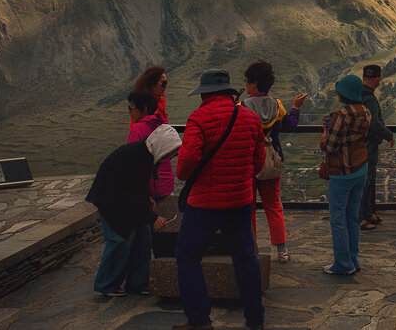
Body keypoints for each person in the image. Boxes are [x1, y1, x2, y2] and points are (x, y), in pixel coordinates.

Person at [174, 69, 266, 330]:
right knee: (246, 258)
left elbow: (187, 161)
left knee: (187, 255)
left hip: (204, 203)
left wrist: (185, 175)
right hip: (239, 200)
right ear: (229, 92)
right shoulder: (250, 118)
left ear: (205, 94)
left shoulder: (199, 118)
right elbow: (258, 161)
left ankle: (199, 320)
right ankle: (255, 319)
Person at [86, 124, 180, 296]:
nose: (170, 158)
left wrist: (148, 198)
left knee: (143, 240)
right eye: (169, 153)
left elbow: (136, 187)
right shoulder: (137, 157)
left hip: (122, 199)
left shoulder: (145, 155)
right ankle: (106, 284)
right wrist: (152, 218)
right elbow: (130, 194)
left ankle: (137, 283)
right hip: (110, 200)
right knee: (120, 240)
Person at [238, 60, 307, 263]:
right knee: (273, 205)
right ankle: (282, 249)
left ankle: (252, 248)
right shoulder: (277, 106)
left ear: (253, 83)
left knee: (247, 207)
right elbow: (290, 126)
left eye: (247, 81)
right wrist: (295, 107)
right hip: (272, 162)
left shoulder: (241, 107)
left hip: (248, 164)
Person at [320, 75, 371, 275]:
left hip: (342, 173)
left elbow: (330, 147)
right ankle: (353, 259)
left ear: (344, 93)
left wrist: (325, 133)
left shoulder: (341, 116)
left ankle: (342, 264)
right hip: (361, 170)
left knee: (338, 218)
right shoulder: (365, 112)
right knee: (352, 217)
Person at [359, 64, 394, 231]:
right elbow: (374, 124)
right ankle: (361, 216)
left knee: (364, 180)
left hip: (359, 145)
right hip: (369, 145)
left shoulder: (358, 94)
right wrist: (389, 134)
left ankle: (367, 213)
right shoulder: (370, 99)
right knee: (366, 181)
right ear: (377, 78)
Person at [127, 91, 174, 201]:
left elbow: (131, 161)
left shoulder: (138, 129)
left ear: (144, 108)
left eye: (132, 107)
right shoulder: (162, 124)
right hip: (167, 184)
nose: (129, 112)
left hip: (150, 187)